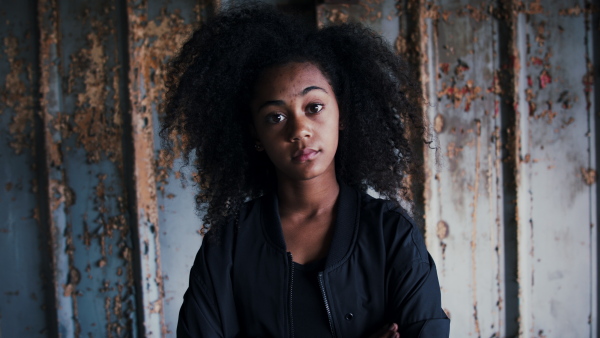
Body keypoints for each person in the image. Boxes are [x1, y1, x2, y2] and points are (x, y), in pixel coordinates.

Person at [161, 2, 450, 337]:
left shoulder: (392, 235)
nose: (299, 130)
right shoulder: (227, 246)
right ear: (255, 132)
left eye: (314, 107)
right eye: (275, 116)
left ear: (342, 113)